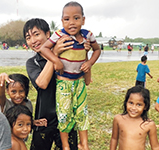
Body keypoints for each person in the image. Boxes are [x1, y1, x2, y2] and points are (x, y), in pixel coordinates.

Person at [36, 2, 101, 149]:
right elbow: (44, 48)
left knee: (82, 113)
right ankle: (65, 146)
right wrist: (55, 60)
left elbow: (97, 50)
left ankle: (84, 144)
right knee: (64, 114)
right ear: (62, 21)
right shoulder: (59, 35)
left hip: (80, 83)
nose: (71, 22)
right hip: (64, 83)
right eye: (67, 19)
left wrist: (90, 62)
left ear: (83, 20)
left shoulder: (87, 36)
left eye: (76, 18)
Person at [23, 18, 81, 150]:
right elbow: (42, 84)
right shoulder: (33, 63)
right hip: (44, 120)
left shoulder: (66, 55)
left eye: (36, 34)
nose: (33, 41)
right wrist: (53, 54)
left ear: (48, 34)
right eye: (28, 37)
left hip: (67, 117)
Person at [110, 85, 159, 150]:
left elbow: (155, 147)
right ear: (126, 102)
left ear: (145, 106)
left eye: (139, 105)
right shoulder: (118, 119)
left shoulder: (149, 124)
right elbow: (114, 138)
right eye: (131, 103)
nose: (133, 108)